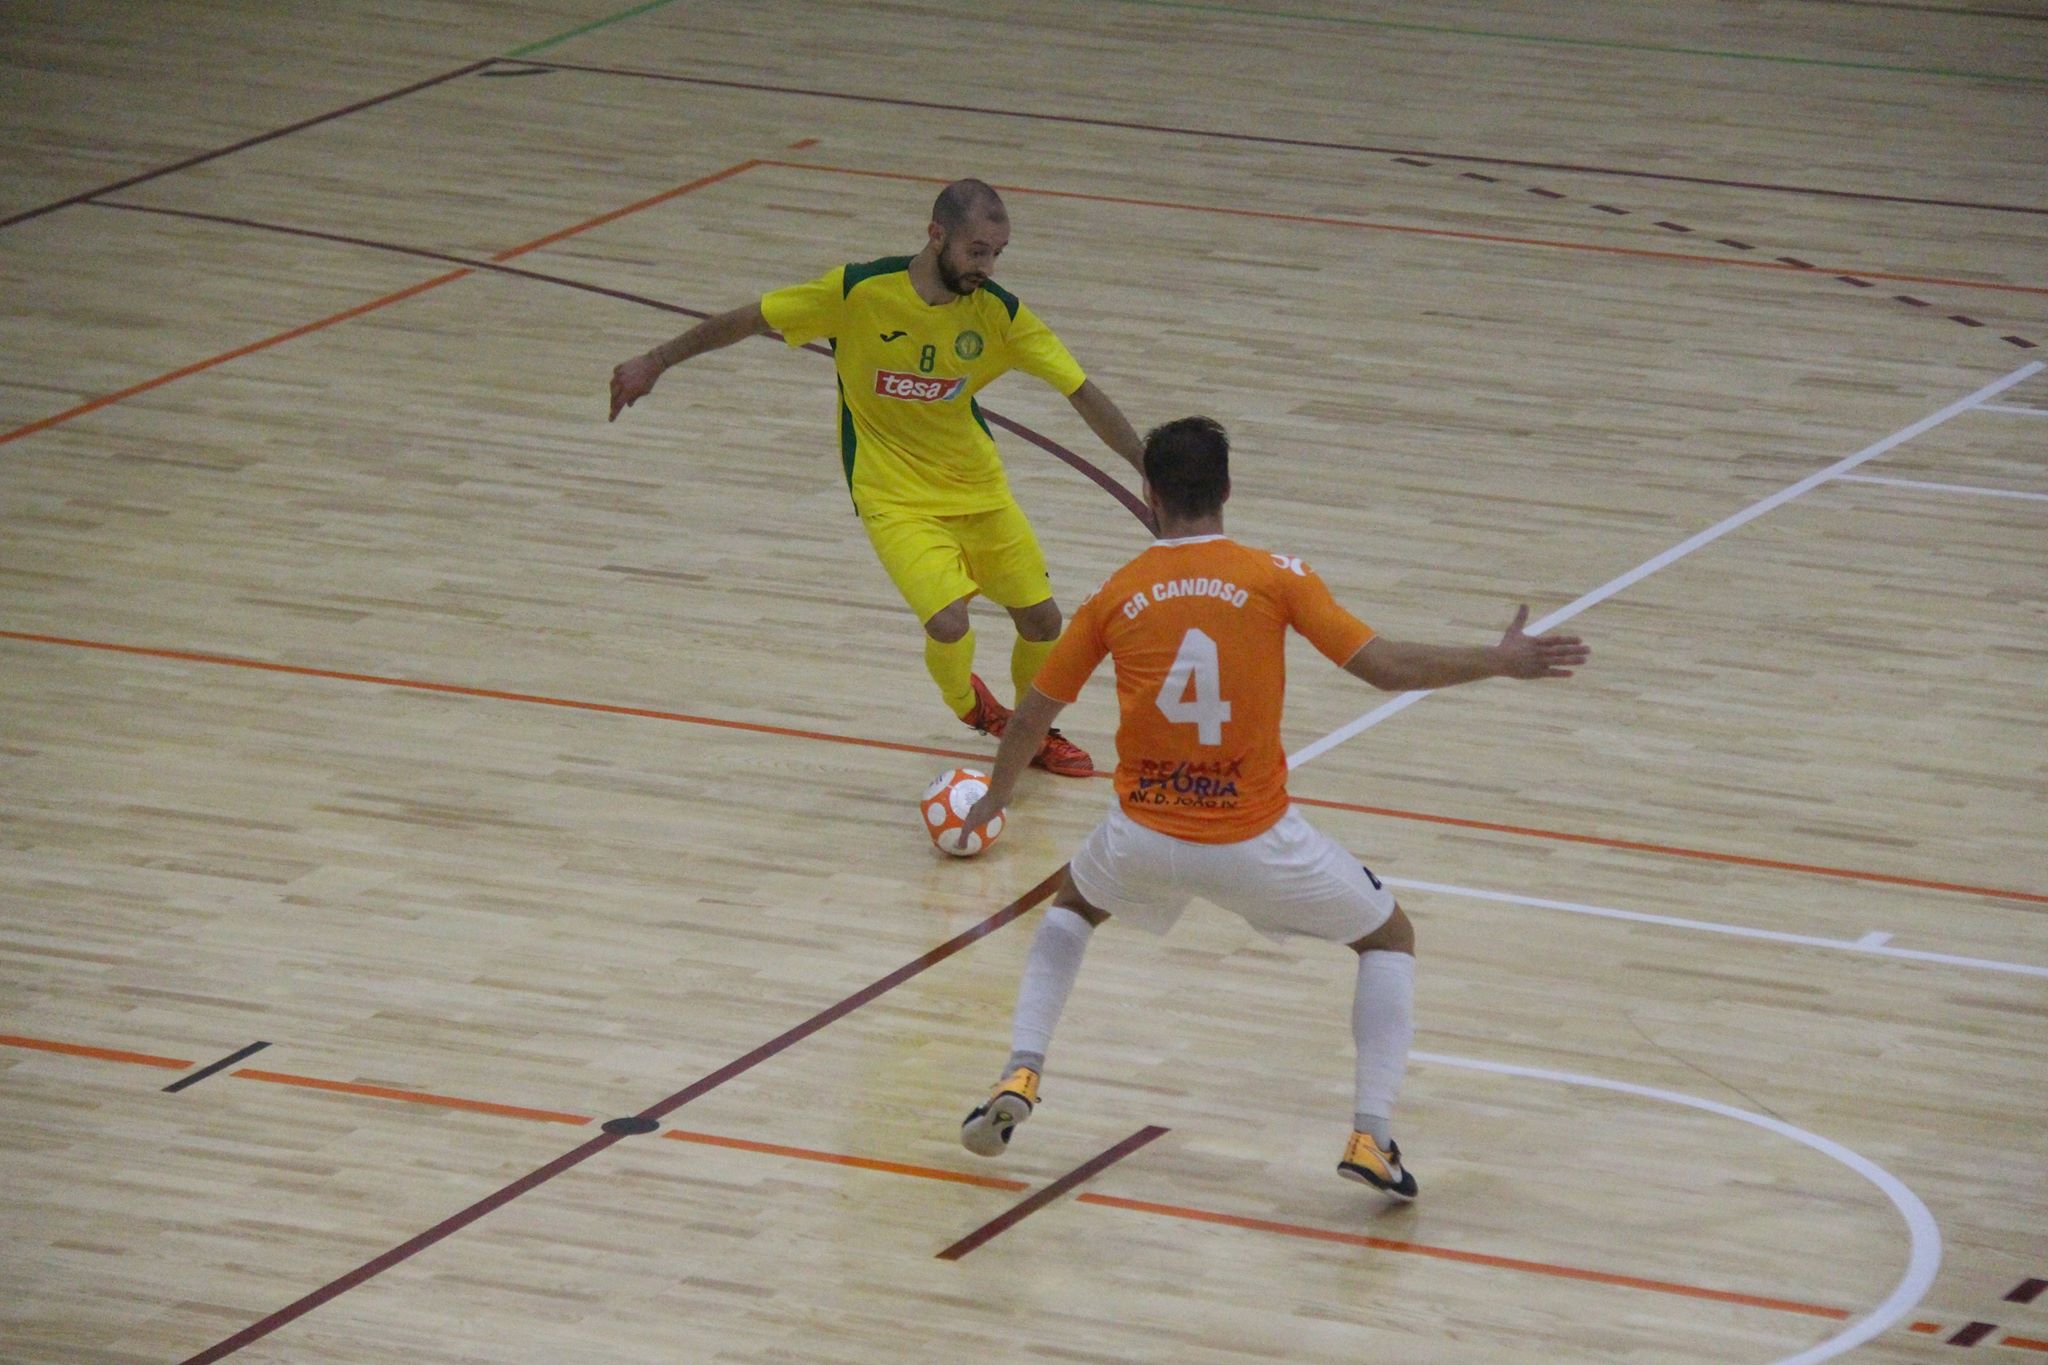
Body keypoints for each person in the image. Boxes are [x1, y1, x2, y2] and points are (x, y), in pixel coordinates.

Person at [955, 416, 1590, 1197]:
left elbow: (1031, 715)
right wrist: (1498, 660)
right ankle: (1372, 1134)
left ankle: (1021, 1071)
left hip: (1142, 832)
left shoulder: (1114, 593)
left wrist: (995, 798)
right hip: (1256, 841)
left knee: (1074, 908)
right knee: (1388, 937)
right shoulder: (1275, 576)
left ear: (1149, 492)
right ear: (1227, 488)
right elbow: (1387, 668)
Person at [609, 178, 1146, 776]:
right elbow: (749, 319)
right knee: (949, 622)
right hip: (892, 496)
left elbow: (1080, 391)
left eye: (997, 253)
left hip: (979, 489)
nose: (988, 267)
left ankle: (1033, 731)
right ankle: (974, 708)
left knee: (1043, 620)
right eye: (976, 251)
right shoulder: (857, 291)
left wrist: (1146, 466)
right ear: (936, 234)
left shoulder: (999, 314)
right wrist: (656, 360)